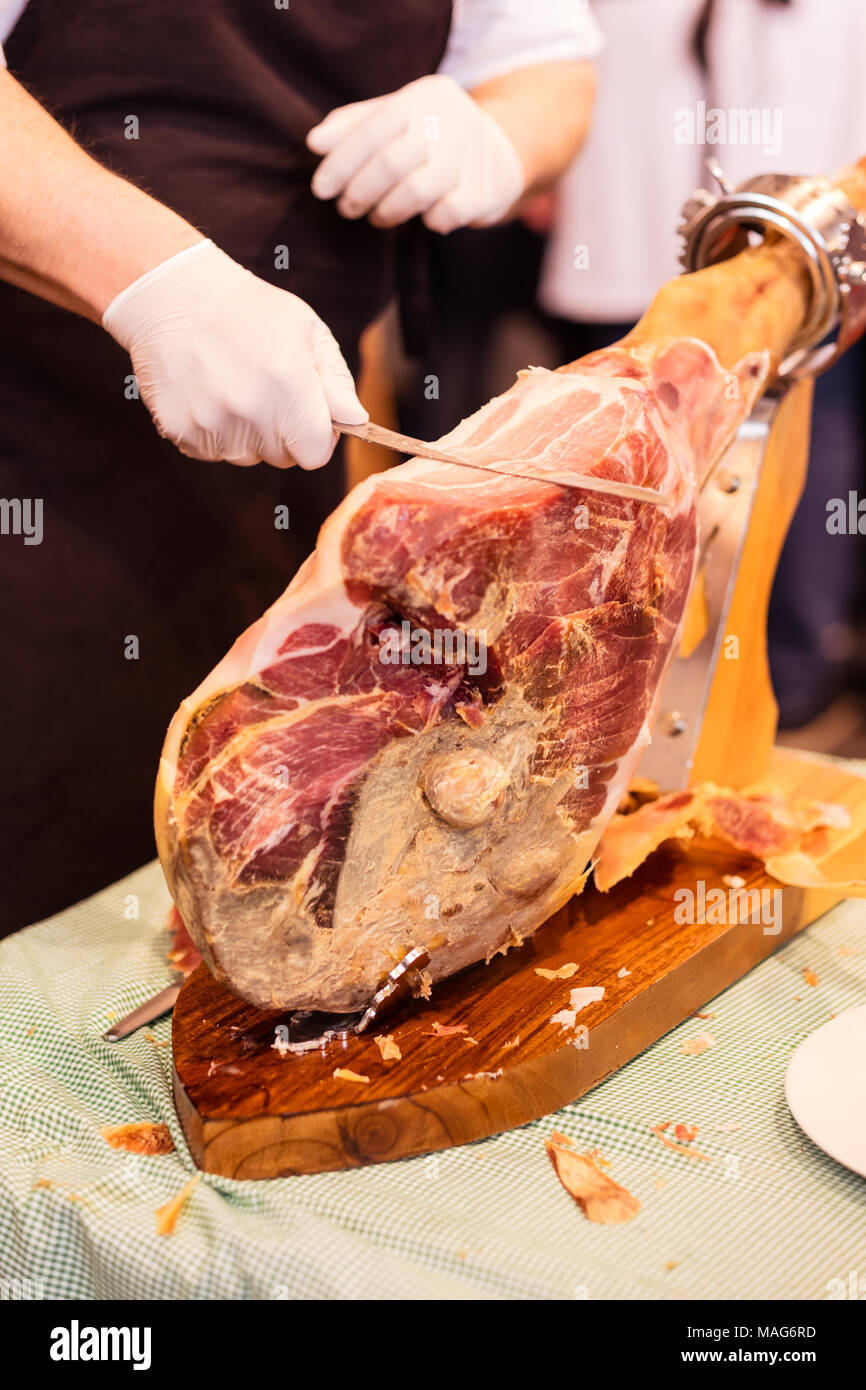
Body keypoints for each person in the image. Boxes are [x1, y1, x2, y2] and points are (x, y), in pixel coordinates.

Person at [0, 0, 601, 935]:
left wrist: (494, 133)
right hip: (27, 449)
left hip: (277, 461)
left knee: (241, 855)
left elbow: (551, 63)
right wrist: (154, 281)